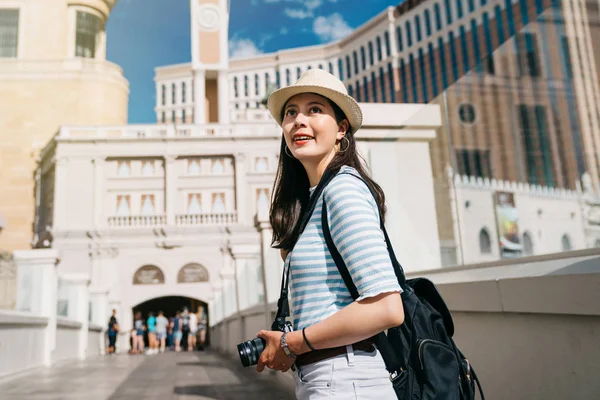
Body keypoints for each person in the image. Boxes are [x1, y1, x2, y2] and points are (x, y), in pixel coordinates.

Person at [255, 69, 404, 399]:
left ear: (341, 129)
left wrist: (293, 342)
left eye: (314, 109)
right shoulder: (313, 199)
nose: (299, 120)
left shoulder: (343, 190)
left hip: (348, 380)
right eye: (291, 112)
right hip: (326, 379)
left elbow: (387, 308)